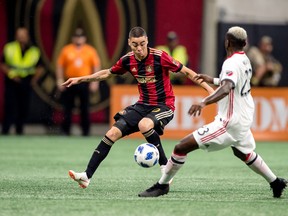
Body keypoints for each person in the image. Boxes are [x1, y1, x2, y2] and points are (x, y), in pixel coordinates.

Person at [138, 26, 287, 198]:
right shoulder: (245, 59)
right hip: (244, 116)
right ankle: (276, 182)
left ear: (227, 42)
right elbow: (234, 82)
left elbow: (226, 88)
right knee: (242, 152)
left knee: (180, 147)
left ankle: (162, 185)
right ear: (244, 43)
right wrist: (214, 79)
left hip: (229, 122)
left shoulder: (230, 62)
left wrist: (203, 103)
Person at [62, 26, 214, 189]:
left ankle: (165, 168)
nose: (139, 48)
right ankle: (86, 176)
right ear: (129, 43)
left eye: (142, 44)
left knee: (144, 125)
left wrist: (211, 91)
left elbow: (188, 72)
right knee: (112, 133)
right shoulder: (128, 60)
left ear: (147, 41)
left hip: (164, 105)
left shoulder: (160, 57)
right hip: (142, 105)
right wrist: (81, 79)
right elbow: (107, 73)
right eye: (135, 45)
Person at [56, 28, 101, 136]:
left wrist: (95, 82)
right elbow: (60, 66)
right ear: (73, 38)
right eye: (76, 37)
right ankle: (65, 130)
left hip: (84, 81)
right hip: (70, 81)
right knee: (67, 107)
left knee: (84, 107)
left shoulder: (90, 50)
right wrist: (59, 79)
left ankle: (85, 131)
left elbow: (96, 66)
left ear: (84, 38)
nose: (78, 39)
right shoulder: (66, 49)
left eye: (80, 37)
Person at [0, 27, 43, 135]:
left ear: (27, 36)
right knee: (10, 105)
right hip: (12, 80)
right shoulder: (9, 47)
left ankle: (20, 130)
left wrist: (34, 80)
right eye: (19, 35)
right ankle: (6, 130)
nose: (21, 37)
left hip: (26, 81)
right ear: (16, 36)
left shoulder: (34, 50)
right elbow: (2, 63)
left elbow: (40, 67)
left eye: (23, 35)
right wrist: (11, 75)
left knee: (23, 106)